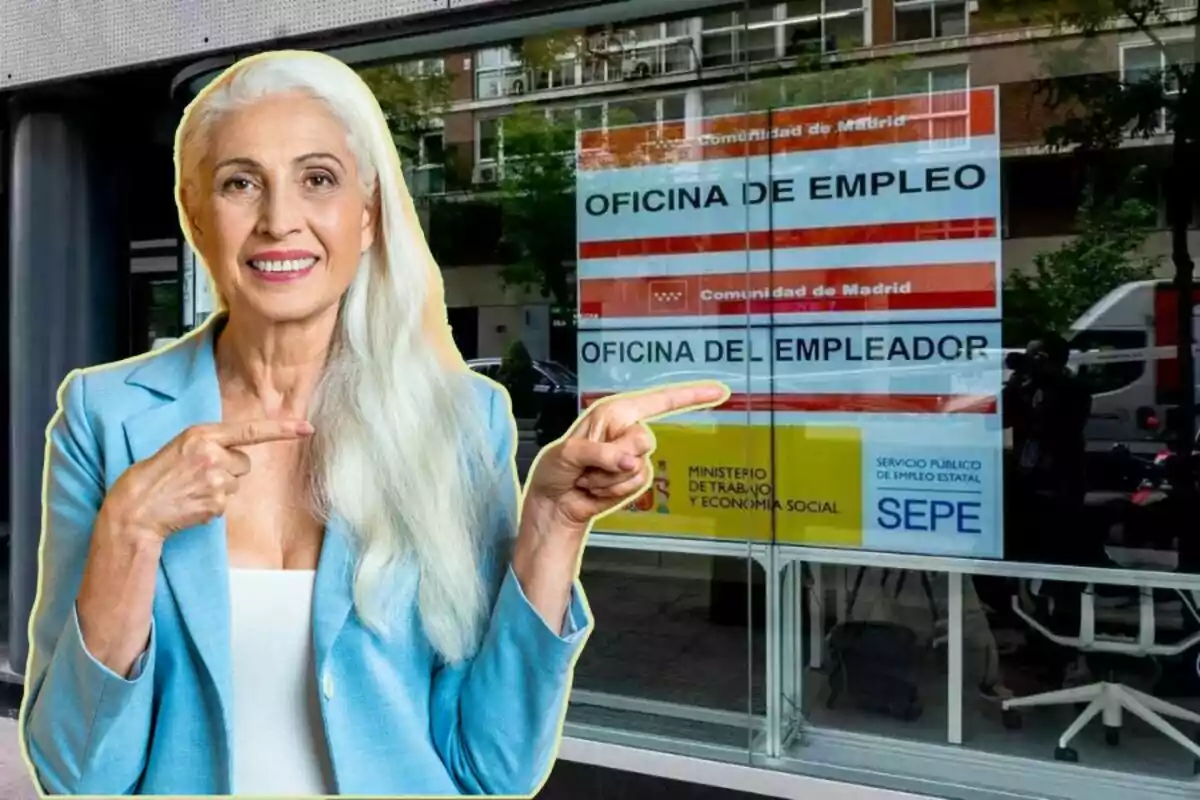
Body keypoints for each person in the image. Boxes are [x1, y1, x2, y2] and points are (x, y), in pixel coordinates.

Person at [18, 50, 728, 797]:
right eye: (240, 183)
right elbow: (79, 774)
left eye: (317, 179)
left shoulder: (460, 420)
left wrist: (552, 521)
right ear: (197, 217)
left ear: (366, 217)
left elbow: (492, 768)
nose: (279, 220)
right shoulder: (105, 419)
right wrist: (130, 533)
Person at [1002, 333, 1093, 564]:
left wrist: (1041, 385)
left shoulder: (1074, 388)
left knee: (1058, 551)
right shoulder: (1024, 385)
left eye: (1036, 356)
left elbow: (1060, 428)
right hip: (1026, 478)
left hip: (1059, 482)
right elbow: (998, 420)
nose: (1030, 361)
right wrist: (1016, 389)